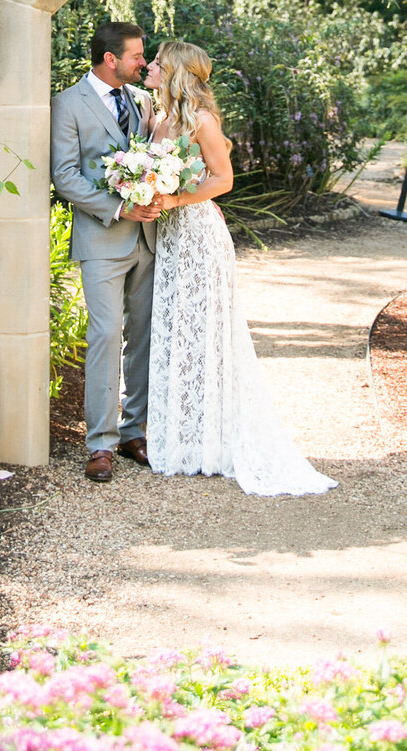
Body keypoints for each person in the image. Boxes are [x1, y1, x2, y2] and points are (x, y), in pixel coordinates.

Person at [144, 38, 338, 496]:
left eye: (156, 61)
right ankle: (181, 440)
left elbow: (223, 179)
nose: (149, 65)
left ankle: (213, 444)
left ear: (175, 70)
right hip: (169, 236)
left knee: (206, 332)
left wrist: (174, 197)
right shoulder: (159, 119)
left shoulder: (202, 120)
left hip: (200, 236)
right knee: (177, 329)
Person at [50, 21, 162, 482]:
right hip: (101, 238)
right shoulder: (67, 104)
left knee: (144, 336)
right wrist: (118, 208)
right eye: (137, 55)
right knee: (104, 336)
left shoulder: (143, 100)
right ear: (111, 59)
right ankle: (99, 442)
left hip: (150, 240)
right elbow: (65, 176)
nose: (143, 62)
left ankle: (135, 430)